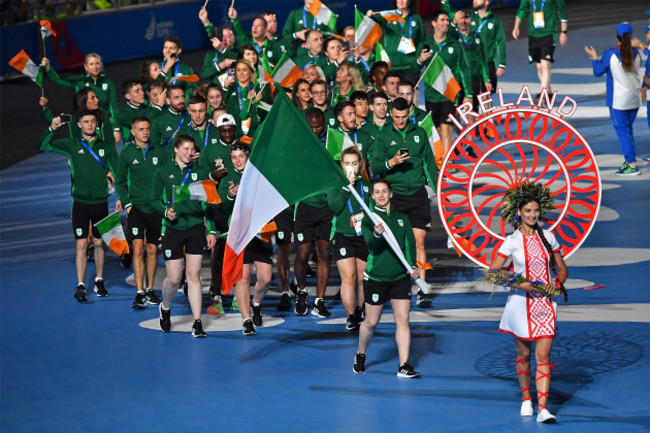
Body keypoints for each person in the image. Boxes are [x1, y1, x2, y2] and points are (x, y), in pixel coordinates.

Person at [489, 182, 568, 423]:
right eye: (528, 211)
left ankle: (543, 408)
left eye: (536, 211)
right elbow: (494, 271)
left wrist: (558, 282)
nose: (533, 215)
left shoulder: (549, 237)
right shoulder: (511, 241)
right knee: (524, 354)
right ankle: (526, 399)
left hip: (545, 304)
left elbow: (562, 268)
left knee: (543, 355)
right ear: (519, 213)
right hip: (520, 305)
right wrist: (518, 283)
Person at [40, 110, 126, 302]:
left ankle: (99, 279)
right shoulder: (71, 145)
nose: (89, 125)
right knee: (80, 244)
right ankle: (80, 285)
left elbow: (118, 173)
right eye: (86, 121)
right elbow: (44, 145)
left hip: (100, 203)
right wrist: (52, 128)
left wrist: (120, 197)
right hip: (79, 203)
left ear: (96, 124)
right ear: (78, 125)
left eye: (93, 121)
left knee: (99, 243)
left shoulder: (106, 146)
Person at [371, 98, 438, 306]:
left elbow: (429, 164)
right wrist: (391, 162)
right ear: (391, 114)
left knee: (419, 242)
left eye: (404, 117)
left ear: (409, 114)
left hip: (418, 195)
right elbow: (374, 166)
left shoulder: (419, 134)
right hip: (395, 197)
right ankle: (401, 283)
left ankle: (422, 288)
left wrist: (438, 191)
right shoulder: (383, 136)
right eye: (397, 117)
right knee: (399, 242)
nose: (400, 121)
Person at [150, 135, 217, 338]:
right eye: (185, 149)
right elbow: (152, 199)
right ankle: (166, 306)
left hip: (196, 227)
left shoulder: (200, 172)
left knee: (194, 276)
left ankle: (198, 322)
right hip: (173, 229)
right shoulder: (163, 171)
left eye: (191, 149)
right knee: (174, 278)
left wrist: (211, 229)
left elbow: (207, 203)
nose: (189, 153)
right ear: (176, 149)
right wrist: (165, 212)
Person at [353, 178, 421, 378]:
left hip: (400, 277)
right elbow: (371, 247)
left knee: (403, 321)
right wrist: (376, 234)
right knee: (371, 323)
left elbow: (409, 244)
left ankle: (404, 365)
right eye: (377, 192)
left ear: (391, 194)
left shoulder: (402, 218)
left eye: (385, 191)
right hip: (376, 278)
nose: (381, 195)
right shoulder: (368, 219)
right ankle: (361, 354)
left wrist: (413, 266)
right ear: (372, 196)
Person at [218, 142, 273, 335]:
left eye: (241, 156)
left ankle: (256, 303)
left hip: (259, 231)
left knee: (265, 278)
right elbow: (222, 209)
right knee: (243, 278)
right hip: (239, 233)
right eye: (234, 157)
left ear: (247, 156)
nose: (237, 160)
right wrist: (230, 197)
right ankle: (246, 319)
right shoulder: (227, 179)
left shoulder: (259, 175)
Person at [116, 116, 167, 309]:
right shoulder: (127, 153)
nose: (145, 132)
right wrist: (127, 204)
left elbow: (166, 176)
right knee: (137, 249)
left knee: (153, 249)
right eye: (141, 129)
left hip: (155, 208)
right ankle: (139, 292)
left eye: (147, 128)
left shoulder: (159, 151)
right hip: (136, 209)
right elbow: (120, 180)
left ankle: (150, 289)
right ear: (133, 131)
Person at [415, 9, 472, 167]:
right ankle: (441, 159)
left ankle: (446, 163)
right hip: (431, 95)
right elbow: (415, 68)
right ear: (434, 23)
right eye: (442, 20)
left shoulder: (455, 45)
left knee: (446, 128)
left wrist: (468, 94)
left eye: (447, 20)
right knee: (438, 130)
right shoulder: (425, 45)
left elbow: (464, 69)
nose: (446, 23)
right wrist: (420, 60)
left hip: (449, 94)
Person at [585, 22, 642, 176]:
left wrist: (594, 58)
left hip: (619, 101)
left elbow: (598, 71)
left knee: (623, 132)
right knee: (628, 130)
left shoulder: (610, 54)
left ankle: (631, 164)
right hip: (635, 100)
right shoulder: (637, 54)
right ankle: (629, 161)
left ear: (617, 36)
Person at [292, 107, 333, 318]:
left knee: (324, 253)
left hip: (326, 206)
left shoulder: (331, 142)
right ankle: (300, 291)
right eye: (311, 127)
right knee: (302, 254)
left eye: (319, 127)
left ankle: (319, 300)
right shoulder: (296, 145)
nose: (315, 130)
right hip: (305, 206)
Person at [197, 113, 237, 314]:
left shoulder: (244, 147)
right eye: (224, 130)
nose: (228, 133)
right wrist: (213, 175)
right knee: (218, 252)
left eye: (231, 129)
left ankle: (238, 294)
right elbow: (200, 177)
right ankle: (216, 294)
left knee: (240, 253)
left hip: (240, 208)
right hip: (219, 207)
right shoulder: (210, 150)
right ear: (217, 130)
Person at [328, 147, 370, 330]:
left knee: (362, 278)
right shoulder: (335, 185)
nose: (351, 167)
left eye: (354, 163)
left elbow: (372, 211)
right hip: (342, 235)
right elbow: (334, 207)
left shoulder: (367, 186)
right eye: (347, 164)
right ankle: (350, 316)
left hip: (363, 236)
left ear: (360, 165)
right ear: (341, 165)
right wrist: (346, 187)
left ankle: (360, 309)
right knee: (349, 276)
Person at [40, 53, 120, 143]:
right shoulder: (80, 81)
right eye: (91, 64)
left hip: (103, 124)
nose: (95, 66)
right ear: (86, 67)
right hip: (85, 125)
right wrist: (48, 68)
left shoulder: (108, 83)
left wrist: (116, 128)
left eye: (97, 63)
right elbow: (60, 81)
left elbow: (114, 107)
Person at [512, 0, 567, 96]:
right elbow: (522, 9)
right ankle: (548, 92)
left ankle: (543, 94)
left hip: (548, 32)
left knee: (545, 64)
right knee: (539, 67)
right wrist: (516, 26)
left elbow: (562, 11)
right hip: (533, 33)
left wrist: (564, 32)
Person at [366, 0, 425, 84]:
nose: (401, 1)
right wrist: (370, 16)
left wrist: (418, 61)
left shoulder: (416, 18)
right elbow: (373, 20)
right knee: (393, 94)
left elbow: (422, 41)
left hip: (410, 66)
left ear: (410, 2)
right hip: (392, 66)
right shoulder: (388, 16)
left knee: (408, 94)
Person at [470, 0, 507, 92]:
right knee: (470, 97)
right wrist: (444, 3)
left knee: (486, 96)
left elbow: (501, 42)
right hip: (470, 63)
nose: (475, 1)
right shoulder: (468, 18)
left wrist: (502, 64)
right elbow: (451, 17)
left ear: (486, 2)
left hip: (488, 64)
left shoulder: (495, 20)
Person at [150, 86, 187, 156]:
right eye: (176, 97)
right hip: (168, 161)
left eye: (182, 97)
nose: (181, 100)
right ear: (168, 100)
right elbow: (154, 145)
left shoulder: (190, 116)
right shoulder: (160, 119)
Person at [159, 36, 197, 100]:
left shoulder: (186, 69)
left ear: (179, 51)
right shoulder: (157, 67)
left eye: (171, 48)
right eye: (165, 48)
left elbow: (191, 90)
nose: (167, 51)